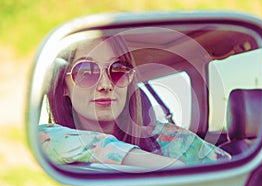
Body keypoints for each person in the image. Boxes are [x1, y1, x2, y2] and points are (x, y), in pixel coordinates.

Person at [39, 31, 230, 169]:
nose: (105, 85)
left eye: (118, 71)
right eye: (86, 71)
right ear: (63, 86)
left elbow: (229, 170)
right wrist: (152, 164)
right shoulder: (47, 140)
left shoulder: (171, 139)